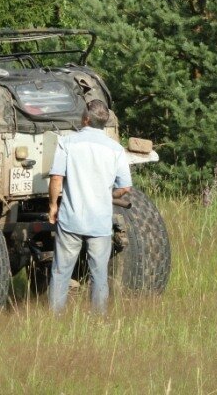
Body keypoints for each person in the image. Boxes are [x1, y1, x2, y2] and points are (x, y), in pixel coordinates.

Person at [47, 99, 132, 314]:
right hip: (100, 223)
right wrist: (108, 195)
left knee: (61, 272)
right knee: (99, 275)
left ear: (85, 119)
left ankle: (55, 319)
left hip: (71, 219)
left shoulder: (67, 143)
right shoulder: (116, 149)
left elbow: (56, 178)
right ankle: (98, 319)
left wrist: (53, 206)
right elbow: (125, 187)